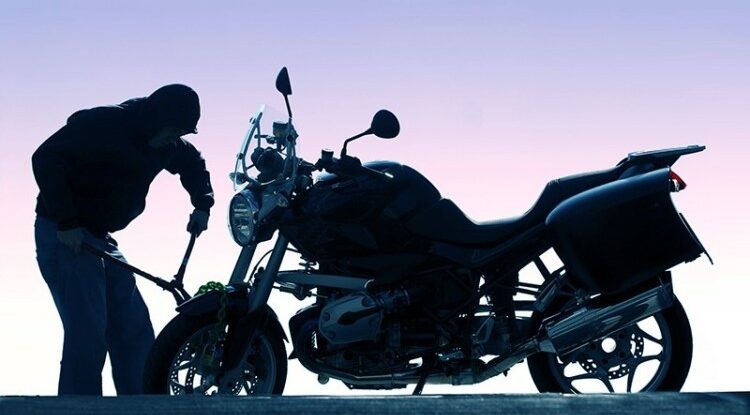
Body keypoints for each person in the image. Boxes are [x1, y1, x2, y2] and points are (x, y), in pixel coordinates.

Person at [31, 84, 215, 395]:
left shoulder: (166, 144)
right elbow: (46, 157)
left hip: (101, 239)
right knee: (88, 331)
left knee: (134, 329)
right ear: (156, 118)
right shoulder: (104, 124)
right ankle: (79, 409)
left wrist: (202, 203)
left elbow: (192, 163)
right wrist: (67, 220)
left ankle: (142, 406)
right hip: (65, 236)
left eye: (181, 133)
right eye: (173, 130)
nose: (175, 138)